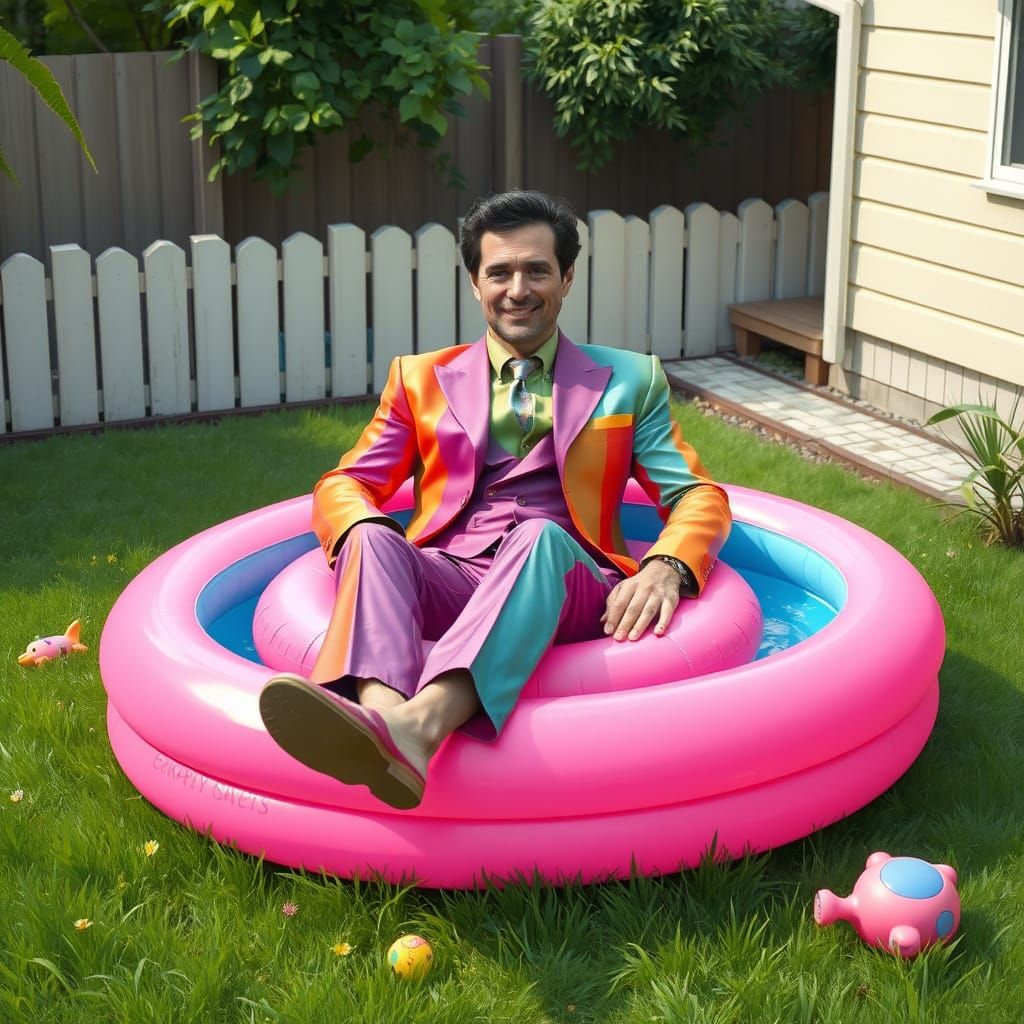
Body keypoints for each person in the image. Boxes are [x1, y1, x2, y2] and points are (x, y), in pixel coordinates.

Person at [259, 189, 731, 809]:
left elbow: (696, 494)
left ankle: (422, 726)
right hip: (452, 575)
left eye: (537, 270)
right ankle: (381, 719)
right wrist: (358, 529)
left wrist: (666, 565)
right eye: (499, 272)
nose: (518, 289)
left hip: (567, 581)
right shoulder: (419, 378)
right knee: (373, 534)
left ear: (566, 278)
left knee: (538, 536)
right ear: (475, 284)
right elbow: (344, 484)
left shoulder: (630, 380)